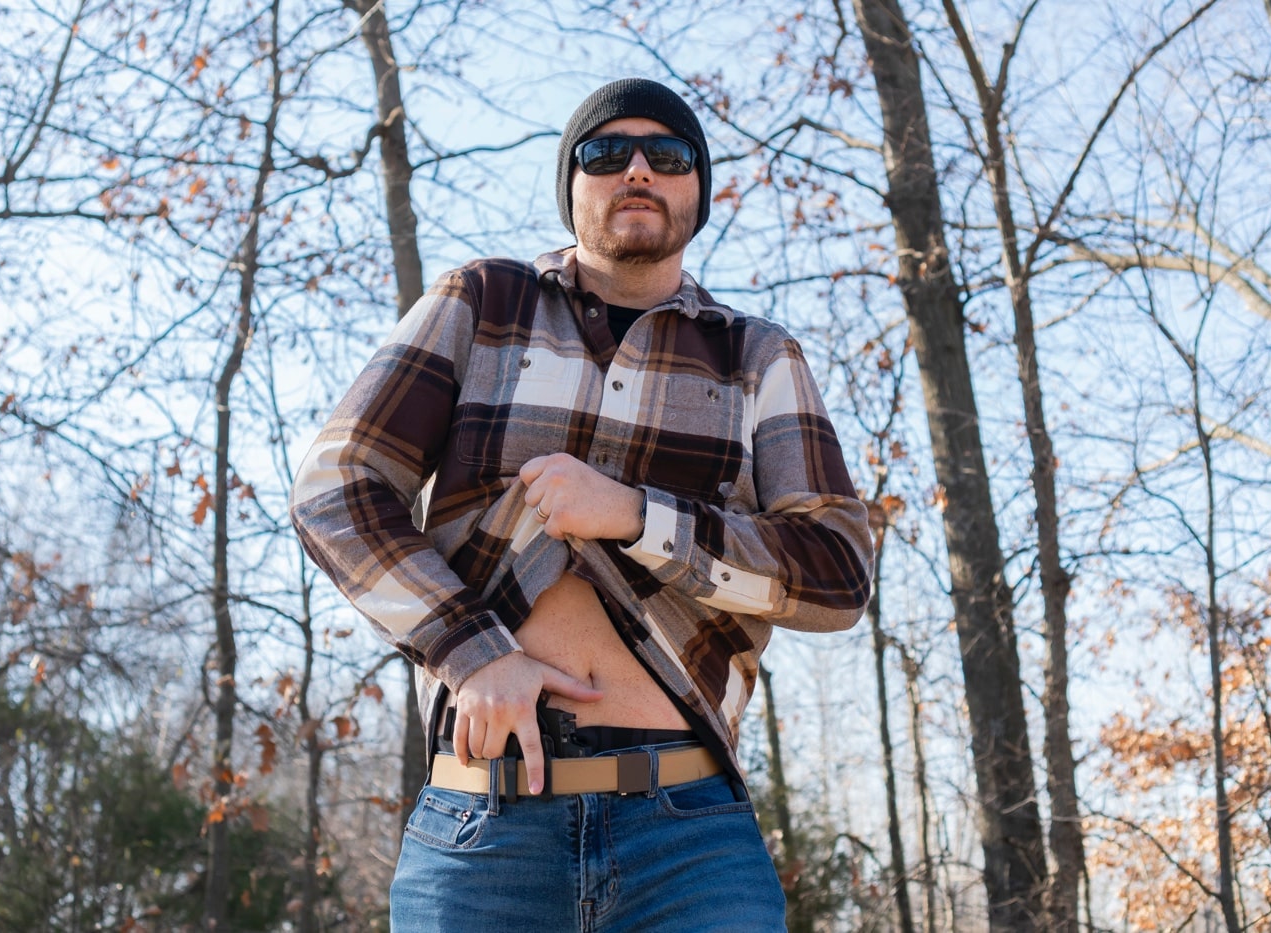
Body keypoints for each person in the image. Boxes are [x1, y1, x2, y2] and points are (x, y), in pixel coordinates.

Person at [289, 77, 874, 931]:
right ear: (572, 185)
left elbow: (838, 572)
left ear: (697, 191)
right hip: (483, 830)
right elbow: (335, 488)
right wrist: (472, 651)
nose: (637, 169)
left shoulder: (757, 357)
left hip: (688, 838)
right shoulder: (482, 301)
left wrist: (641, 517)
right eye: (607, 153)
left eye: (667, 156)